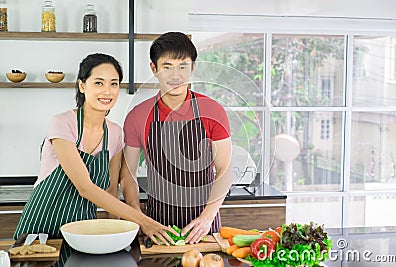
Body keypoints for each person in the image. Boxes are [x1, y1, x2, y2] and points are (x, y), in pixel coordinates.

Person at [13, 53, 178, 241]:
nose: (107, 91)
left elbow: (111, 191)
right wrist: (144, 221)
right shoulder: (62, 123)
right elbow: (85, 188)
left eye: (114, 83)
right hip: (39, 228)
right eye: (99, 83)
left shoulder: (115, 134)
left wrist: (118, 236)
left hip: (83, 232)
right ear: (82, 86)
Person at [121, 32, 233, 245]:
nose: (175, 75)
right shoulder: (137, 116)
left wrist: (207, 217)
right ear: (154, 69)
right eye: (167, 66)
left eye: (183, 66)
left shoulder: (213, 111)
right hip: (157, 228)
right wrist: (139, 216)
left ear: (193, 68)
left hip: (204, 228)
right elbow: (128, 175)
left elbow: (224, 170)